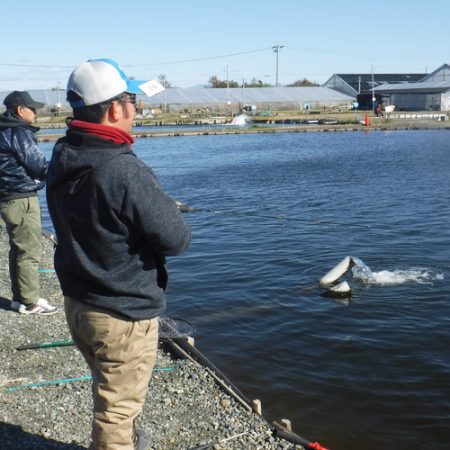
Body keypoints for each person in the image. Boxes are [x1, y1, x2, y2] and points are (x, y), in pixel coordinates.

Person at [46, 59, 191, 450]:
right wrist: (160, 206)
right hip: (121, 316)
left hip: (80, 303)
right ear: (114, 109)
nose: (136, 109)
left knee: (108, 387)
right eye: (132, 100)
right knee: (116, 410)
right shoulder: (124, 170)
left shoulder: (63, 152)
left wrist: (151, 206)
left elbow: (102, 212)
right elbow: (176, 240)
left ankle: (125, 439)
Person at [0, 91, 58, 315]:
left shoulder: (3, 129)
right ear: (19, 110)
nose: (36, 112)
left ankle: (19, 298)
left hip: (7, 196)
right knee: (30, 249)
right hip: (21, 197)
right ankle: (31, 302)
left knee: (18, 248)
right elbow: (38, 165)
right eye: (32, 109)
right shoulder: (17, 131)